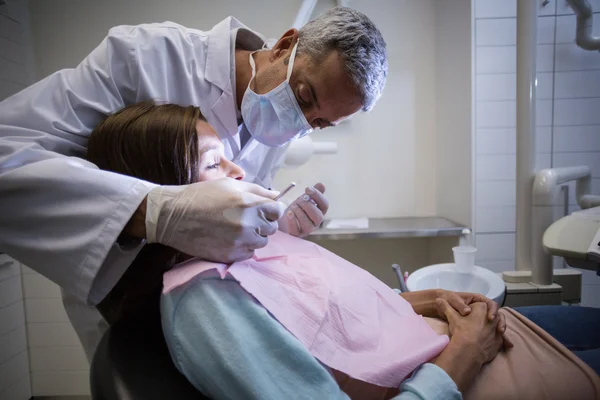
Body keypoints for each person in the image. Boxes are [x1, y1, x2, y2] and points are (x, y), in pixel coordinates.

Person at [91, 101, 600, 399]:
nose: (240, 174)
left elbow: (322, 325)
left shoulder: (232, 254)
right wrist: (468, 351)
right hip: (470, 371)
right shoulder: (206, 304)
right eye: (212, 165)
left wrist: (418, 302)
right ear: (162, 193)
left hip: (449, 339)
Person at [0, 7, 388, 359]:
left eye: (320, 124)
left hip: (212, 312)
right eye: (304, 97)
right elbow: (7, 155)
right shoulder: (147, 57)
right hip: (124, 306)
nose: (301, 124)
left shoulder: (281, 127)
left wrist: (274, 226)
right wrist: (155, 210)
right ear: (285, 46)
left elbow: (232, 215)